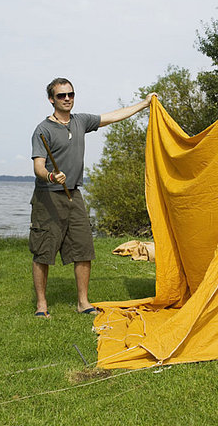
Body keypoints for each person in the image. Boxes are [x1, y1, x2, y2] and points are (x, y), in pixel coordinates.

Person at [30, 77, 156, 318]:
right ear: (51, 100)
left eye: (71, 94)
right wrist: (50, 175)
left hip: (74, 195)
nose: (67, 99)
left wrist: (144, 103)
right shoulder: (43, 130)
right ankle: (41, 305)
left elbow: (112, 117)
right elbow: (37, 166)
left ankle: (83, 303)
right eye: (61, 95)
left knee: (83, 249)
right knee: (43, 252)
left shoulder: (81, 121)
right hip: (47, 197)